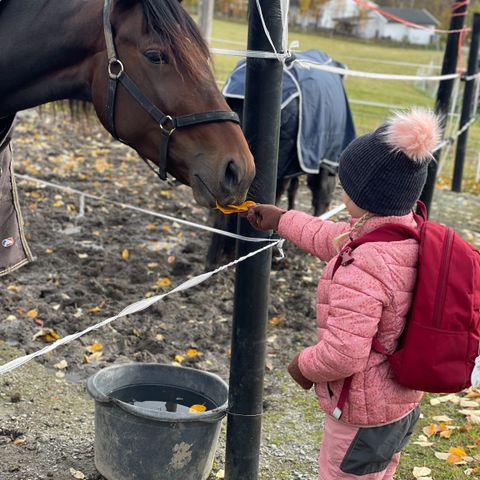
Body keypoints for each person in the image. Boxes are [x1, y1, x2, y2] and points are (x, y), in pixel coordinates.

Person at [245, 108, 442, 479]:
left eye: (345, 183)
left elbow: (343, 354)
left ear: (367, 195)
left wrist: (302, 366)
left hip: (359, 419)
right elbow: (330, 238)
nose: (340, 188)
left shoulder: (365, 264)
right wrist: (282, 220)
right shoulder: (403, 232)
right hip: (399, 406)